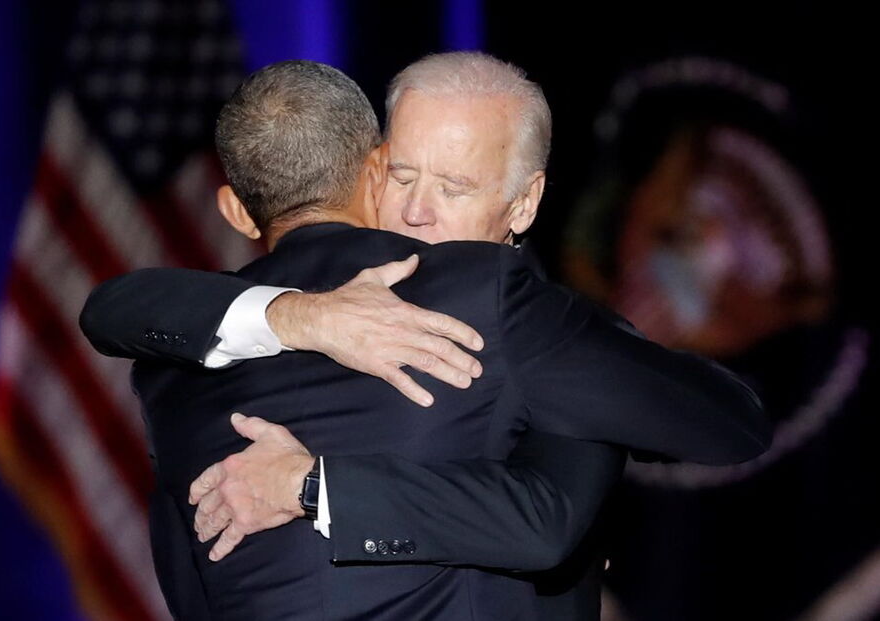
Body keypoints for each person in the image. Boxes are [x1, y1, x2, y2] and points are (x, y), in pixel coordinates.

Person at [81, 55, 769, 620]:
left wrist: (310, 485)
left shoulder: (173, 365)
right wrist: (304, 318)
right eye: (404, 176)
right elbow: (113, 308)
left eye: (454, 187)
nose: (416, 211)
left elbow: (565, 513)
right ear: (373, 168)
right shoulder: (482, 300)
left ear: (524, 202)